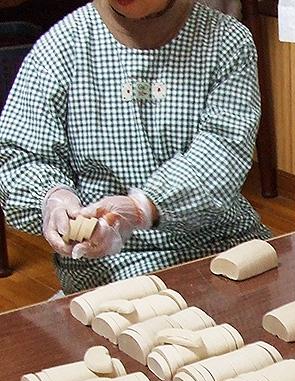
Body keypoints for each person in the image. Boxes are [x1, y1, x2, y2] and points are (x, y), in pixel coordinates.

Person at [0, 0, 270, 293]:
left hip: (219, 247)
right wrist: (53, 198)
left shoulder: (226, 41)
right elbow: (19, 157)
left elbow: (222, 153)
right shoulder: (63, 45)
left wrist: (142, 207)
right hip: (105, 264)